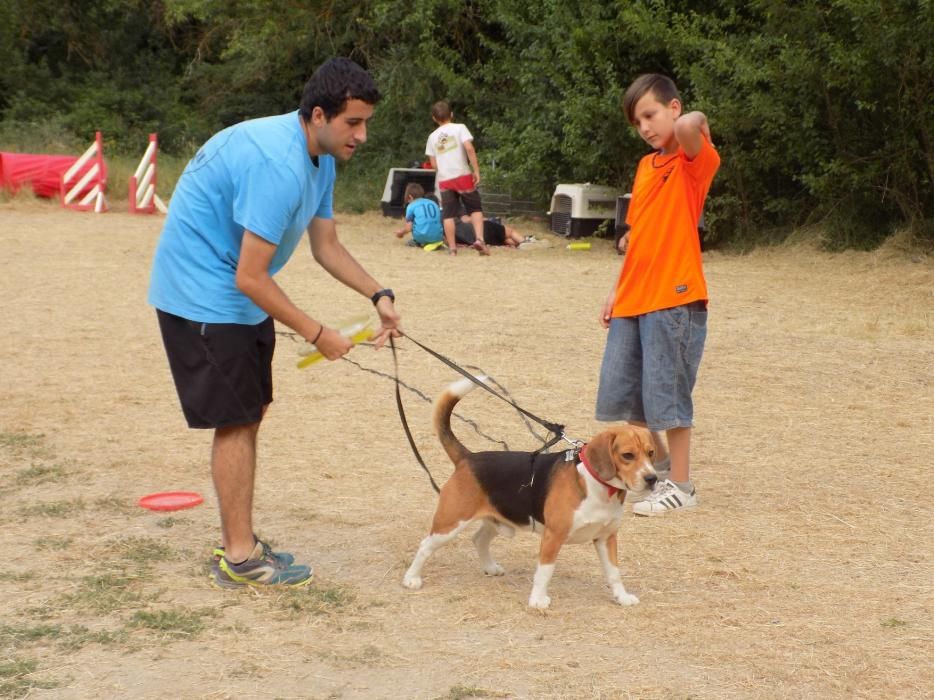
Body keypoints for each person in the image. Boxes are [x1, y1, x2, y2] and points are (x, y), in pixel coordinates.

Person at [148, 57, 402, 588]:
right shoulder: (277, 165)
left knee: (250, 410)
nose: (362, 134)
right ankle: (240, 557)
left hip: (235, 292)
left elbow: (326, 246)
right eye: (353, 122)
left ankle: (241, 540)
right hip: (202, 293)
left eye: (366, 122)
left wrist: (377, 294)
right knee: (236, 418)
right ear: (318, 115)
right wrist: (318, 334)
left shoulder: (320, 156)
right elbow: (251, 276)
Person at [594, 73, 720, 516]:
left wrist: (695, 119)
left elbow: (687, 130)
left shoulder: (694, 161)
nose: (645, 127)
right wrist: (616, 290)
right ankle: (658, 466)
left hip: (673, 297)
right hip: (634, 296)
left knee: (668, 395)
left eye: (650, 115)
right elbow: (637, 234)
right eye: (637, 122)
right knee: (630, 397)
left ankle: (682, 487)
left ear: (673, 107)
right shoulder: (647, 166)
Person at [425, 100, 489, 256]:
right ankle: (480, 240)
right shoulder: (460, 128)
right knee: (475, 208)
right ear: (451, 114)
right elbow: (469, 148)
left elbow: (433, 163)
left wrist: (444, 169)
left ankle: (453, 249)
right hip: (462, 174)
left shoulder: (432, 137)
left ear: (434, 118)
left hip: (445, 179)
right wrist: (476, 170)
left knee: (448, 214)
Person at [393, 182, 444, 249]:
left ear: (410, 197)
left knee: (410, 241)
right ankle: (434, 243)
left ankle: (420, 243)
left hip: (421, 237)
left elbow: (408, 228)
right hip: (438, 237)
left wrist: (401, 233)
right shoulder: (433, 203)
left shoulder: (411, 206)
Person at [453, 214, 538, 249]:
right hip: (482, 230)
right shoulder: (456, 207)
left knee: (505, 240)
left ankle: (520, 245)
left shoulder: (446, 223)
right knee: (510, 231)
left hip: (474, 240)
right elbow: (467, 219)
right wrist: (486, 219)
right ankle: (524, 242)